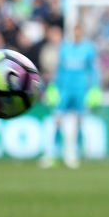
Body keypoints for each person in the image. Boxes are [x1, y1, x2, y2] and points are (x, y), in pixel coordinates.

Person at [41, 23, 101, 169]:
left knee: (79, 121)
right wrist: (53, 86)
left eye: (79, 31)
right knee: (57, 120)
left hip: (80, 89)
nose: (77, 34)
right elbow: (59, 68)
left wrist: (95, 88)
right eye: (75, 31)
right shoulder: (65, 48)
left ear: (82, 32)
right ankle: (51, 154)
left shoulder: (88, 49)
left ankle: (74, 153)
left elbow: (92, 69)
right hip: (65, 89)